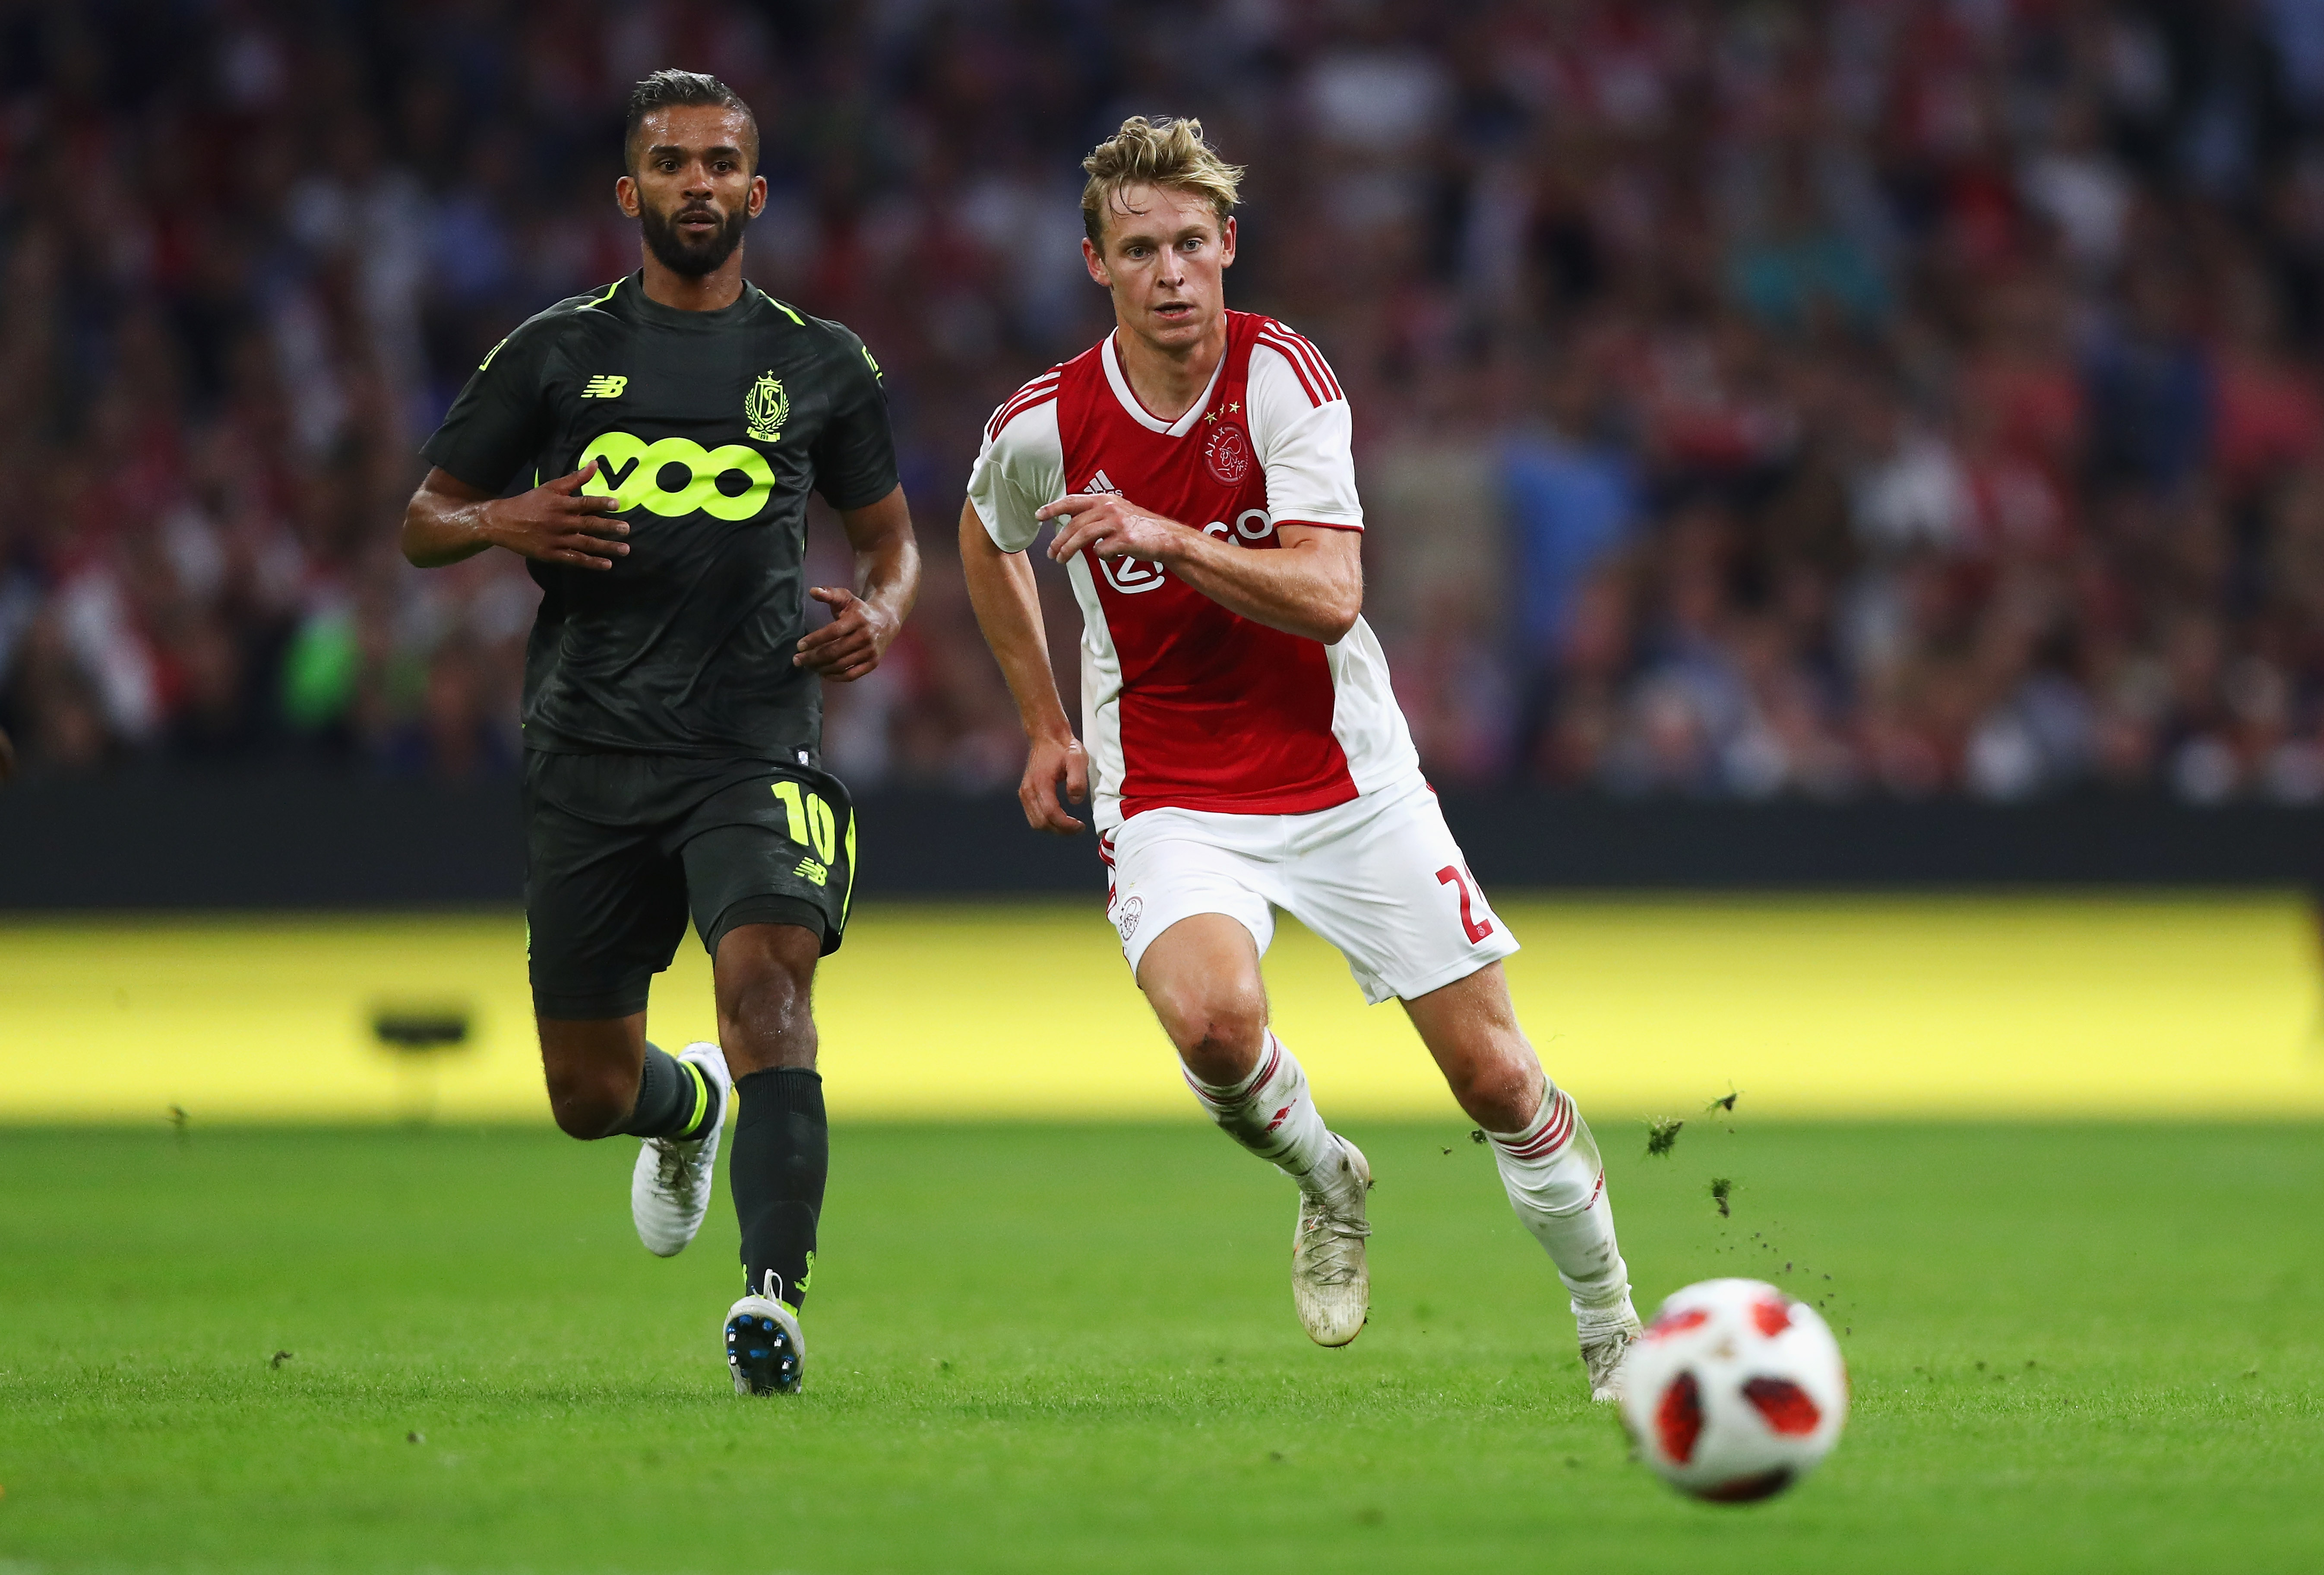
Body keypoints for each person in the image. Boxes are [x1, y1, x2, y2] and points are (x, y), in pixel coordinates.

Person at [958, 117, 1643, 1397]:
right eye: (1139, 248)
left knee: (1495, 1073)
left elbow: (1331, 594)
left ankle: (1612, 1323)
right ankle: (1328, 1176)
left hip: (1341, 771)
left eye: (1190, 244)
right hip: (1167, 782)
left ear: (1228, 246)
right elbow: (983, 533)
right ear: (1095, 263)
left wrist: (1166, 534)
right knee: (1215, 1029)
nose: (1170, 271)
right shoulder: (1047, 421)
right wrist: (1046, 722)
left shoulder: (1285, 379)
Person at [399, 70, 917, 1396]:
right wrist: (503, 519)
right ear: (631, 194)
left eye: (721, 162)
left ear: (758, 189)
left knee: (771, 993)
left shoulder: (821, 363)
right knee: (585, 1093)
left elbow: (891, 541)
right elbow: (424, 519)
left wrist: (888, 616)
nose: (699, 183)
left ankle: (772, 1302)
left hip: (752, 736)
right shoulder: (553, 352)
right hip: (587, 745)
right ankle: (684, 1108)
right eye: (673, 164)